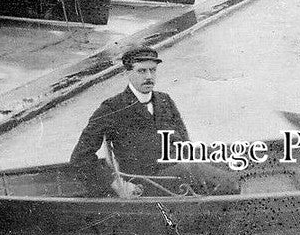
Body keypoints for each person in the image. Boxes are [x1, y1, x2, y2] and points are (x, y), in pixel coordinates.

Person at [69, 46, 239, 196]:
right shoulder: (112, 108)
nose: (149, 76)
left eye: (153, 70)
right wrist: (116, 183)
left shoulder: (164, 100)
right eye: (141, 71)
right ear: (128, 73)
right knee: (224, 181)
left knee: (227, 162)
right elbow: (80, 157)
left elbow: (185, 144)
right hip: (149, 183)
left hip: (181, 176)